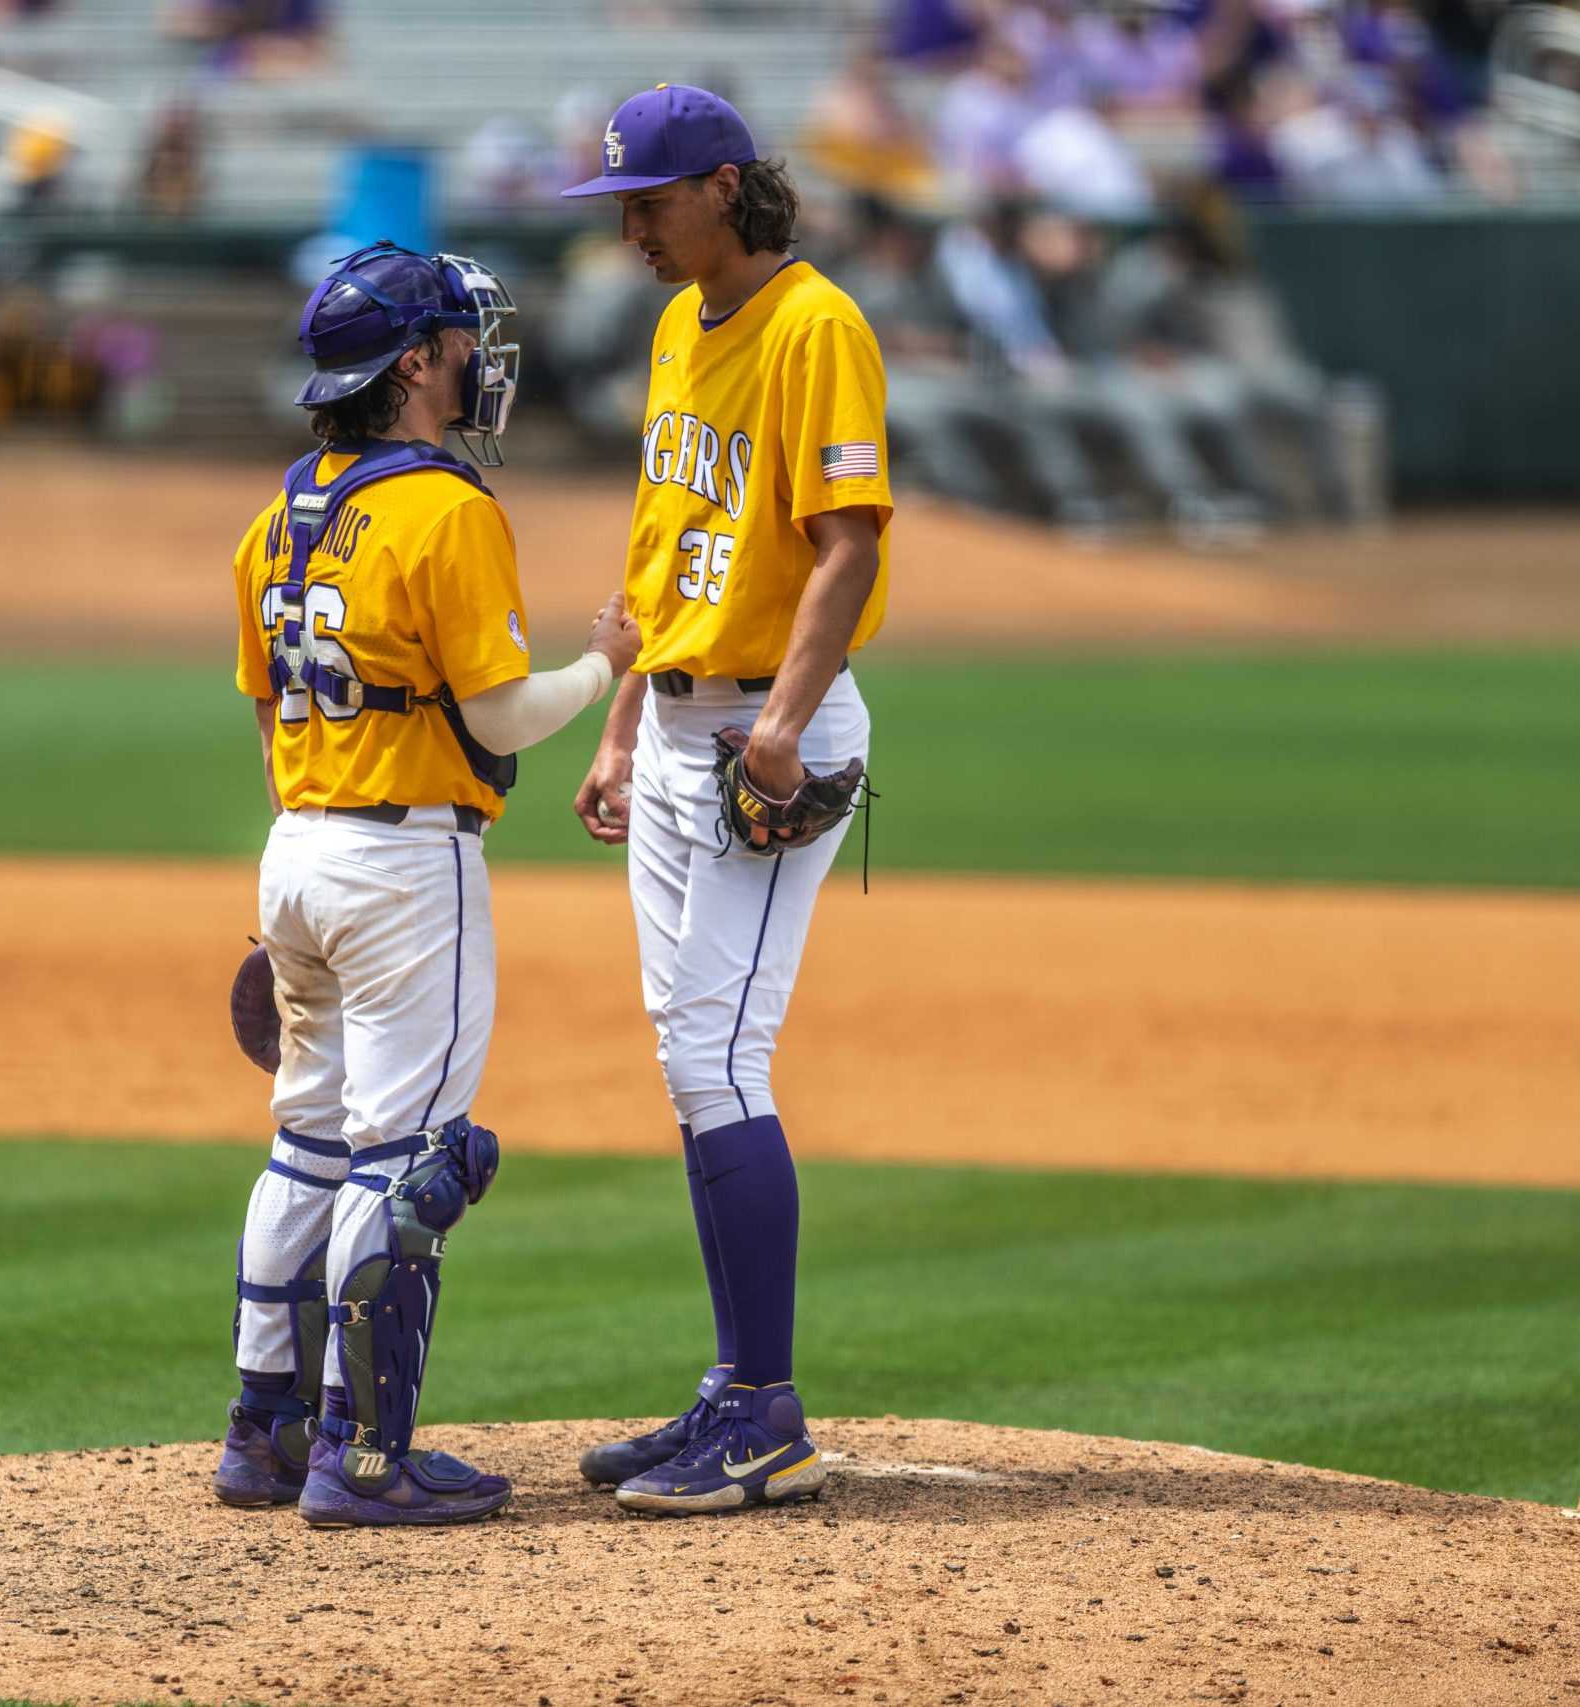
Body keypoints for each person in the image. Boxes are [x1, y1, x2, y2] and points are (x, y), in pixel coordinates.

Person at [215, 241, 642, 1527]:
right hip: (404, 865)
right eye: (460, 342)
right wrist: (602, 668)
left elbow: (264, 712)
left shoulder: (279, 511)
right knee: (404, 1164)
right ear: (413, 367)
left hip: (298, 848)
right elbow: (503, 719)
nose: (476, 359)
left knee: (304, 1147)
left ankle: (263, 1434)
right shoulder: (447, 509)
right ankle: (367, 1457)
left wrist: (311, 860)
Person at [558, 84, 884, 1516]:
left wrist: (791, 726)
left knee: (719, 1055)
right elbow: (662, 553)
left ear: (729, 187)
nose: (630, 225)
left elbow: (847, 544)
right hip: (683, 721)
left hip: (767, 728)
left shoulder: (817, 325)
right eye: (622, 204)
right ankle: (733, 1388)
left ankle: (766, 1411)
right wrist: (623, 727)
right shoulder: (679, 327)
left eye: (653, 199)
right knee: (692, 1059)